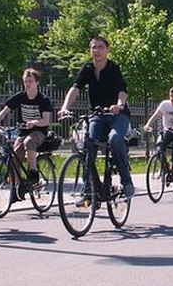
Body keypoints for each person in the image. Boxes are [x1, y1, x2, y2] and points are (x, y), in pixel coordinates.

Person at [57, 36, 135, 199]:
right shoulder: (87, 68)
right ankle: (89, 189)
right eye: (93, 47)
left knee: (114, 139)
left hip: (117, 115)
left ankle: (126, 180)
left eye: (100, 47)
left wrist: (119, 105)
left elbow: (122, 90)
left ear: (107, 50)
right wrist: (65, 107)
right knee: (87, 144)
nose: (96, 50)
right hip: (98, 115)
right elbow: (75, 88)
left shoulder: (113, 68)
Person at [0, 68, 53, 195]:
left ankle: (33, 173)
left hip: (39, 132)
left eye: (30, 81)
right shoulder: (20, 97)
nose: (27, 84)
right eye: (25, 81)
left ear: (37, 83)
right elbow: (5, 111)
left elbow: (46, 121)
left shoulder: (43, 100)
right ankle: (19, 188)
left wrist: (34, 123)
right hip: (23, 132)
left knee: (29, 142)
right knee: (14, 157)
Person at [143, 86, 173, 192]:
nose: (172, 98)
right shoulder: (165, 104)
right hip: (168, 131)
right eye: (170, 96)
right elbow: (156, 115)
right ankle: (166, 167)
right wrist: (148, 124)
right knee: (159, 147)